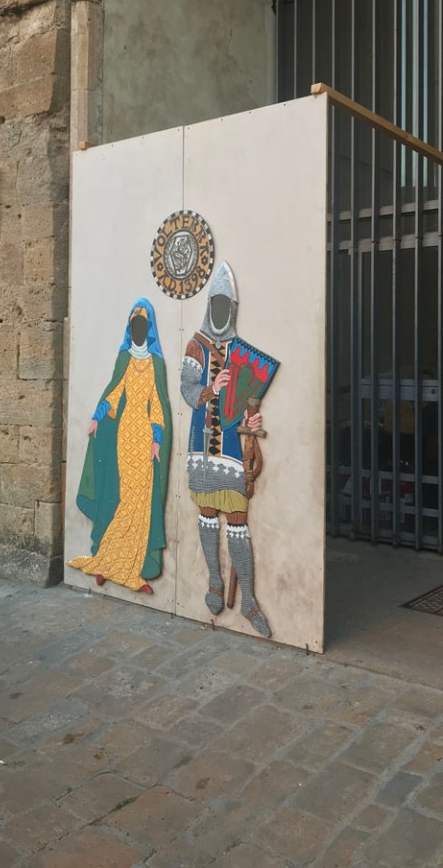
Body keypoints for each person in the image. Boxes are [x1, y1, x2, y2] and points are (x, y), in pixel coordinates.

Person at [180, 262, 271, 638]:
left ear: (232, 310)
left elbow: (247, 401)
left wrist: (252, 419)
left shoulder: (239, 352)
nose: (220, 312)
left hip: (232, 449)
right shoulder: (196, 346)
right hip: (203, 447)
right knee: (207, 514)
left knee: (237, 520)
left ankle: (248, 599)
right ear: (209, 306)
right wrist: (211, 388)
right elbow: (187, 390)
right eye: (215, 304)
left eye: (225, 306)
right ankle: (215, 581)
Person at [69, 298, 172, 592]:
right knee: (126, 498)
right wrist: (97, 417)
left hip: (144, 435)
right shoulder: (125, 358)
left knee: (141, 502)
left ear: (148, 328)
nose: (138, 330)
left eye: (142, 325)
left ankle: (131, 568)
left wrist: (157, 440)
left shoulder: (156, 364)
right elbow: (115, 392)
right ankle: (108, 560)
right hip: (125, 436)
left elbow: (157, 405)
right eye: (134, 325)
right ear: (130, 328)